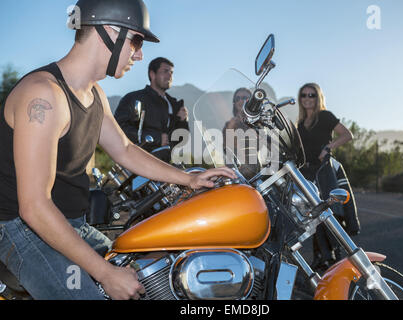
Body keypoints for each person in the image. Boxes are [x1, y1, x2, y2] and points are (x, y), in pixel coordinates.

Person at [0, 0, 235, 300]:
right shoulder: (43, 96)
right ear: (108, 32)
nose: (139, 54)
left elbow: (124, 149)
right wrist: (104, 272)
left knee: (149, 275)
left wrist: (188, 178)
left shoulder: (94, 93)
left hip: (72, 223)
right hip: (22, 231)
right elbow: (34, 207)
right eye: (137, 40)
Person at [296, 83, 355, 271]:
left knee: (330, 214)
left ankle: (337, 258)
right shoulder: (300, 123)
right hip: (307, 173)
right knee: (314, 217)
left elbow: (347, 134)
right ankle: (321, 257)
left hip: (323, 171)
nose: (307, 98)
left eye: (311, 95)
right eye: (304, 95)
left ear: (318, 97)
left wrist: (328, 148)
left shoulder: (325, 116)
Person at [114, 57, 189, 162]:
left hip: (168, 165)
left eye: (171, 72)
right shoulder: (134, 98)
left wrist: (183, 121)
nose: (170, 75)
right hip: (139, 164)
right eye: (165, 71)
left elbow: (181, 141)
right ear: (152, 74)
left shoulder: (175, 104)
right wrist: (156, 138)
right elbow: (118, 128)